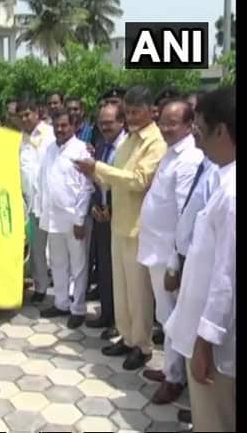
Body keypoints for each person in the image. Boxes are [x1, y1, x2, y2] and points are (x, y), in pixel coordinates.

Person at [75, 86, 167, 370]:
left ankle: (142, 345)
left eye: (136, 112)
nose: (131, 117)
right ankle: (126, 337)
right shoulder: (129, 140)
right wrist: (94, 175)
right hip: (118, 223)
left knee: (139, 294)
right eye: (128, 112)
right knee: (122, 289)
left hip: (139, 228)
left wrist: (98, 169)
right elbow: (116, 178)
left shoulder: (155, 143)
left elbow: (138, 180)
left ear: (150, 110)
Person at [165, 86, 235, 432]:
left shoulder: (232, 195)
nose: (197, 138)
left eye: (201, 129)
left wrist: (205, 342)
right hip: (209, 338)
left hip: (216, 348)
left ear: (221, 131)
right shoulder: (224, 178)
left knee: (215, 420)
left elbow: (226, 278)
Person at [137, 100, 203, 404]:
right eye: (162, 121)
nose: (165, 127)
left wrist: (175, 265)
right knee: (165, 316)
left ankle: (175, 379)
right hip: (156, 249)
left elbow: (183, 216)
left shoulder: (188, 159)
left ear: (189, 125)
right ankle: (169, 369)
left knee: (172, 318)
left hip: (168, 256)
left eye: (172, 123)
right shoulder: (171, 151)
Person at [37, 109, 94, 329]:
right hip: (53, 218)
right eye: (56, 125)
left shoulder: (81, 150)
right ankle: (61, 303)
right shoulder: (50, 149)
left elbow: (86, 188)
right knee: (58, 263)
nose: (60, 129)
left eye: (64, 125)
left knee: (78, 265)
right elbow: (44, 182)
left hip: (74, 220)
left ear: (74, 126)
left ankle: (78, 308)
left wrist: (80, 219)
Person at [85, 103, 127, 340]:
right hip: (101, 215)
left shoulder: (126, 147)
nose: (104, 127)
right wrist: (95, 205)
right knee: (104, 269)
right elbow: (96, 178)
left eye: (109, 122)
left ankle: (119, 323)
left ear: (121, 122)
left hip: (120, 217)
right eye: (101, 123)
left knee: (120, 275)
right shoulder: (101, 145)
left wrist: (112, 208)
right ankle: (107, 313)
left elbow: (125, 183)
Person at [18, 100, 56, 303]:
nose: (25, 119)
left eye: (27, 114)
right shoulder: (19, 140)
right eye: (21, 116)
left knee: (59, 249)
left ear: (36, 113)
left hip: (53, 200)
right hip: (31, 203)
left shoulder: (50, 134)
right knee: (37, 248)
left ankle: (64, 290)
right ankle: (40, 286)